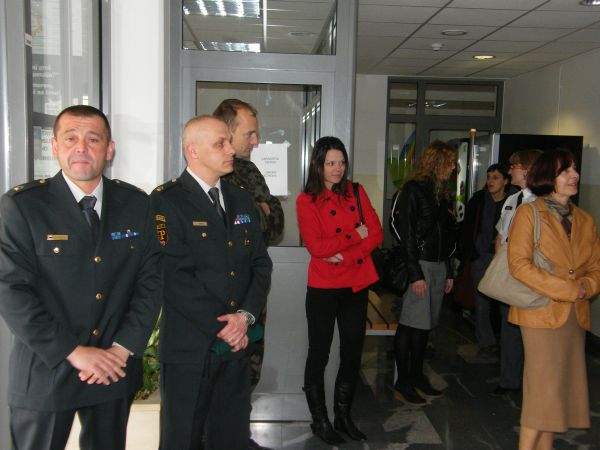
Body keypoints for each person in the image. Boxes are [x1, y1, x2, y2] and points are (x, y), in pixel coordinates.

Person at [0, 105, 162, 450]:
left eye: (93, 139)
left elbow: (151, 282)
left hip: (113, 367)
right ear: (54, 147)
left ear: (109, 149)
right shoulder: (23, 206)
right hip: (47, 369)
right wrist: (73, 351)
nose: (81, 148)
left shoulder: (136, 204)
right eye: (70, 138)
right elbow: (11, 291)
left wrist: (122, 348)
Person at [153, 115, 272, 450]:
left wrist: (244, 317)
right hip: (190, 349)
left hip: (235, 347)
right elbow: (173, 276)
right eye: (220, 143)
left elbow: (260, 264)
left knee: (230, 437)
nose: (231, 149)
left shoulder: (240, 198)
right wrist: (225, 326)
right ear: (193, 151)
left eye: (229, 141)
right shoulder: (166, 201)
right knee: (183, 438)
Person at [507, 149, 600, 450]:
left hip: (574, 317)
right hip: (539, 315)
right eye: (565, 171)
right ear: (549, 176)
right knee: (542, 392)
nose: (574, 175)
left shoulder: (585, 220)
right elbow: (519, 265)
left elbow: (595, 267)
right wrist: (569, 289)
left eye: (574, 169)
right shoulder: (529, 213)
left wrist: (586, 286)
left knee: (556, 394)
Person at [296, 136, 383, 445]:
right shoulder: (306, 200)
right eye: (330, 163)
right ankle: (320, 420)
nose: (337, 168)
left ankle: (343, 416)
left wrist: (345, 255)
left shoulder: (356, 191)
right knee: (319, 353)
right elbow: (317, 247)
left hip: (355, 283)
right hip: (323, 286)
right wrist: (354, 234)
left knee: (352, 352)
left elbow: (376, 234)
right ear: (318, 165)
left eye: (341, 162)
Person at [213, 98, 283, 450]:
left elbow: (276, 225)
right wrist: (260, 210)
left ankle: (239, 437)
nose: (256, 141)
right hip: (219, 300)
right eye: (249, 134)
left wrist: (264, 211)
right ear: (226, 132)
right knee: (217, 375)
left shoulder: (250, 172)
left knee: (247, 371)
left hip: (251, 296)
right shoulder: (212, 176)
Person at [390, 140, 456, 405]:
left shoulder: (443, 192)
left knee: (425, 327)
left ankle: (416, 376)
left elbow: (448, 234)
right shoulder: (413, 190)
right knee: (411, 325)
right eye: (450, 163)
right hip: (420, 265)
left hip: (438, 265)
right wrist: (415, 273)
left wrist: (449, 270)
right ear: (437, 162)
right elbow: (403, 232)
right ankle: (403, 382)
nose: (453, 168)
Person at [493, 149, 542, 396]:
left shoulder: (542, 203)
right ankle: (509, 380)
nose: (510, 170)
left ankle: (532, 385)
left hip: (532, 277)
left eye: (514, 166)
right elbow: (500, 235)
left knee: (532, 334)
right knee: (509, 327)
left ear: (527, 169)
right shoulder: (512, 200)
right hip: (510, 274)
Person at [458, 164, 511, 356]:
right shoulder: (479, 200)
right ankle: (486, 342)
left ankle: (507, 343)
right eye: (488, 177)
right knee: (481, 302)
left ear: (505, 181)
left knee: (506, 303)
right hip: (481, 256)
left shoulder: (514, 200)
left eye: (495, 177)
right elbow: (467, 228)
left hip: (504, 258)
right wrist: (472, 253)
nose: (490, 181)